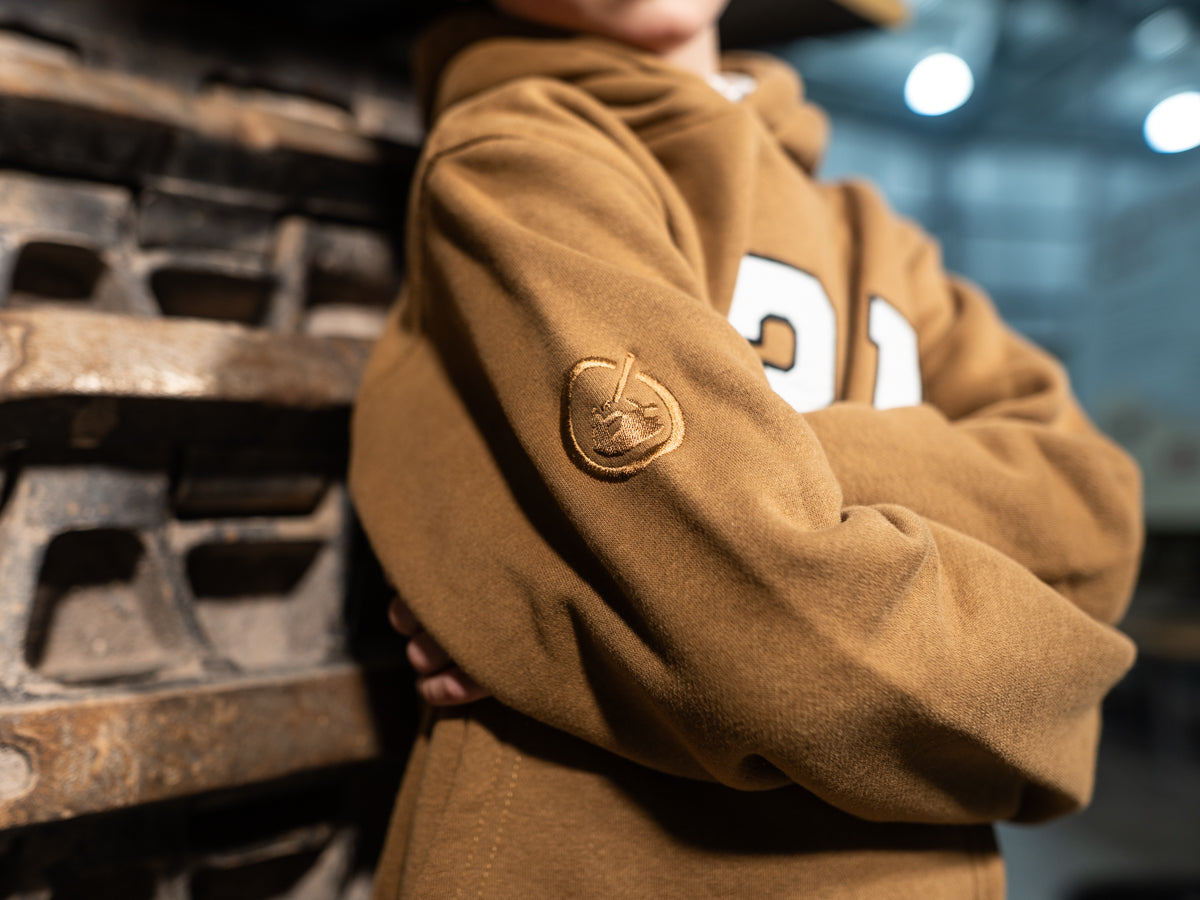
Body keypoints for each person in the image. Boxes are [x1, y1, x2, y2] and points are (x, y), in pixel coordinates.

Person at [349, 0, 1144, 896]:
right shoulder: (514, 160)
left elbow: (1094, 511)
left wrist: (568, 615)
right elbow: (780, 645)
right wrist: (1048, 697)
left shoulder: (878, 236)